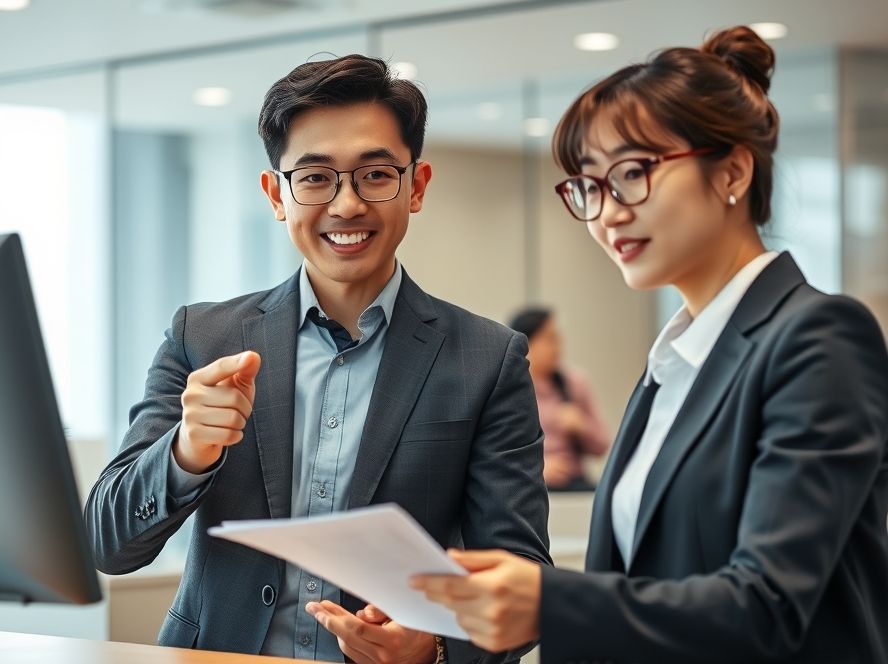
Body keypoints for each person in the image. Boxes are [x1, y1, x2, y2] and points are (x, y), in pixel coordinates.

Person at [413, 26, 888, 663]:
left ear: (733, 172)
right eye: (589, 186)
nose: (606, 212)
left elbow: (768, 606)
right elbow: (650, 590)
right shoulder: (674, 363)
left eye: (632, 174)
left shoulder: (818, 338)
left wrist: (551, 601)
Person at [84, 54, 551, 664]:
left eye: (376, 175)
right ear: (276, 194)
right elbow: (106, 544)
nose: (347, 205)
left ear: (417, 186)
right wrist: (186, 451)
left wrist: (435, 644)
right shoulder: (204, 337)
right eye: (315, 178)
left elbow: (521, 575)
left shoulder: (487, 358)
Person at [508, 307, 609, 490]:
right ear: (525, 343)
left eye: (558, 338)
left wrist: (581, 426)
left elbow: (602, 446)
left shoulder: (575, 383)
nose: (558, 346)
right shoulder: (508, 388)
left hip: (574, 485)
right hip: (526, 485)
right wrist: (537, 469)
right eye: (549, 339)